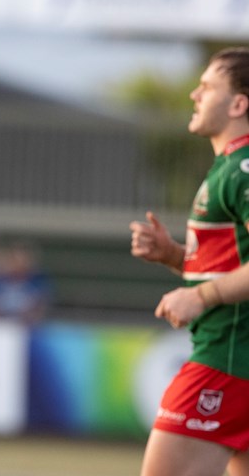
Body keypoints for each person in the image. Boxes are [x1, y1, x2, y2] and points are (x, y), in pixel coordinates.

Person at [129, 47, 249, 476]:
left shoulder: (242, 167)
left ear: (239, 104)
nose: (195, 94)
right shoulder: (229, 166)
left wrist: (202, 297)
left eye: (209, 86)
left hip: (225, 362)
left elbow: (219, 284)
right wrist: (174, 256)